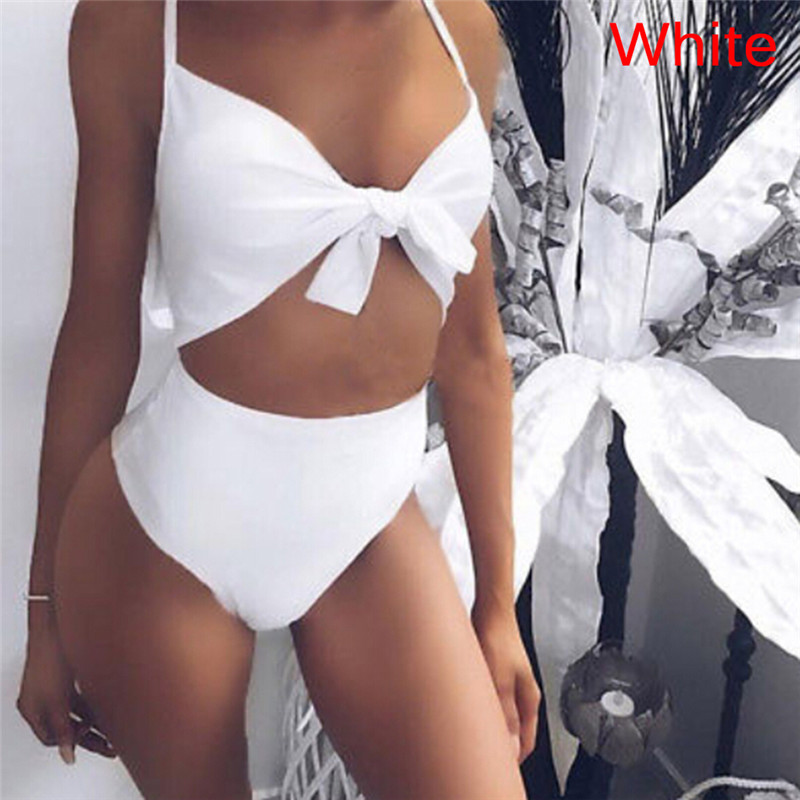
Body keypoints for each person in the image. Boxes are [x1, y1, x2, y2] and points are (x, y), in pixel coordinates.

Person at [16, 1, 540, 798]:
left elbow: (472, 349)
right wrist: (43, 612)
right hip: (165, 540)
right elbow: (97, 330)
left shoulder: (458, 24)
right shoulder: (136, 24)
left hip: (366, 523)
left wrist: (498, 609)